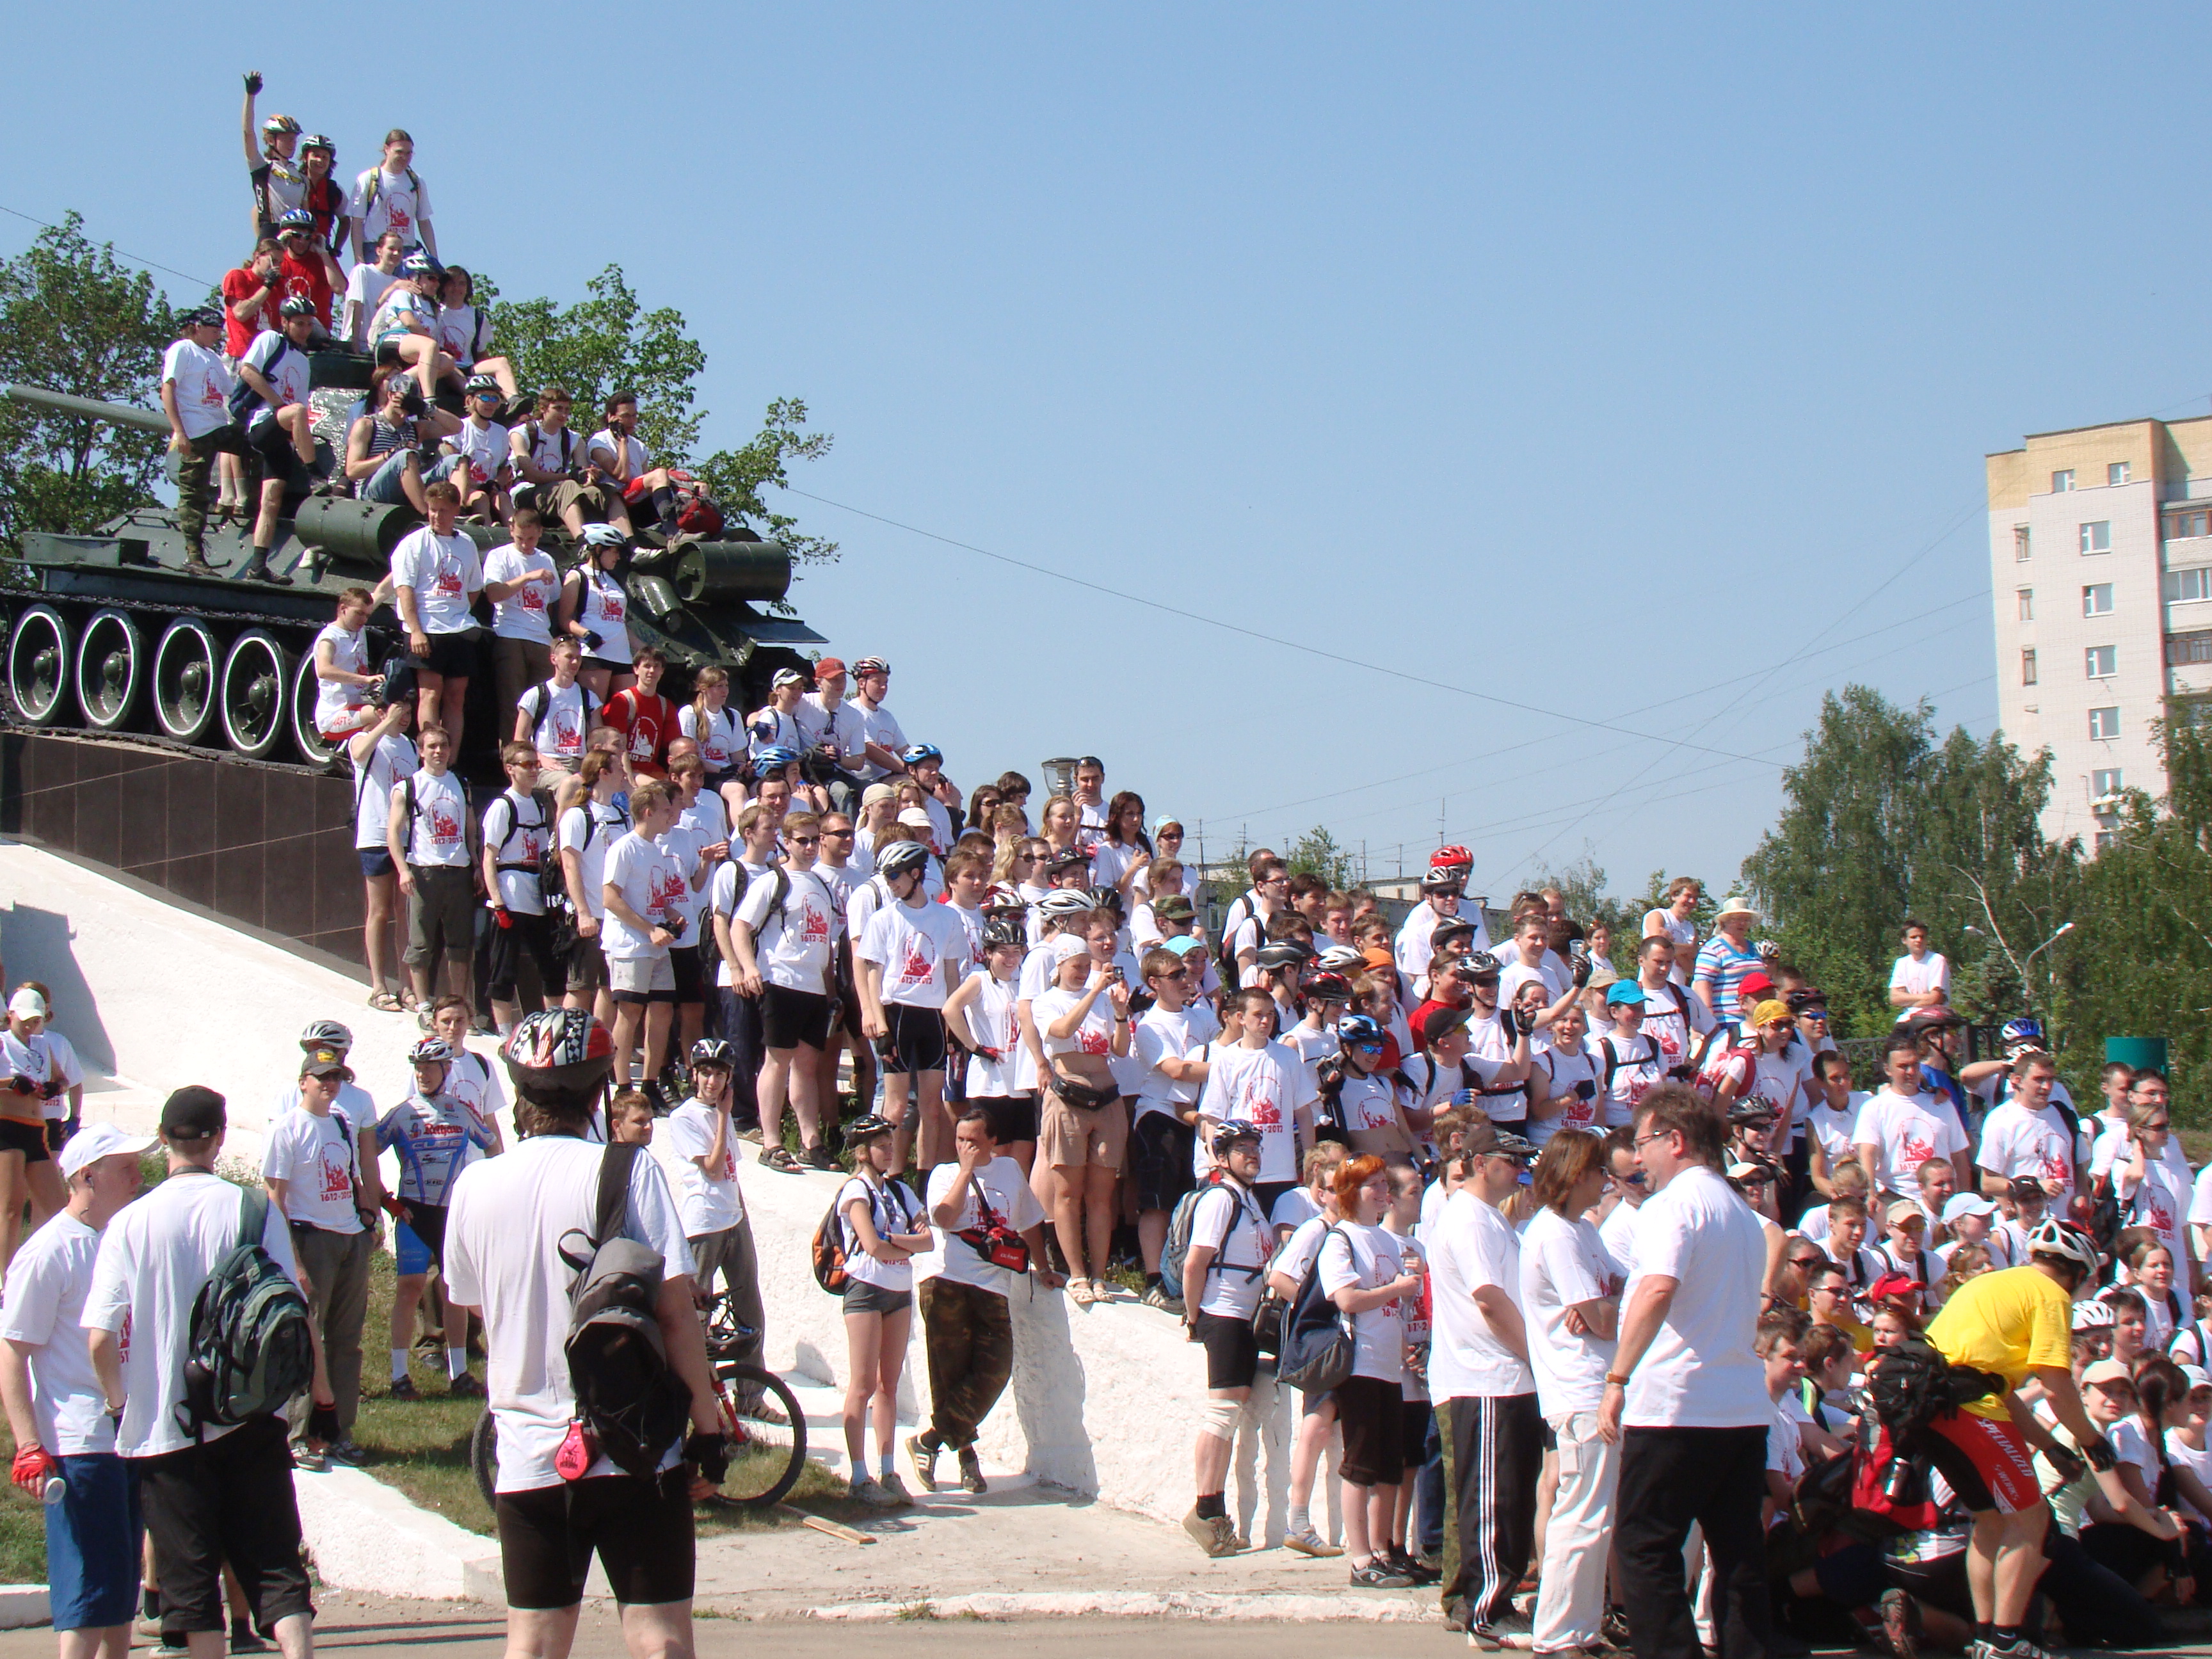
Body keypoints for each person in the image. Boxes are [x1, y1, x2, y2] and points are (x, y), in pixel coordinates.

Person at [445, 1011, 724, 1659]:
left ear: (519, 1092)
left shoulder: (475, 1184)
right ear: (600, 1090)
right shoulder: (628, 1171)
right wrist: (708, 1430)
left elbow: (476, 1305)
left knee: (534, 1646)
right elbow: (675, 1311)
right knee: (660, 1641)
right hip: (634, 1446)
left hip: (528, 1450)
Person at [84, 1086, 334, 1659]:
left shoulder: (130, 1222)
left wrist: (120, 1404)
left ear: (163, 1139)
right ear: (219, 1138)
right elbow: (296, 1310)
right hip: (250, 1414)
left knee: (191, 1588)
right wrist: (322, 1399)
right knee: (277, 1565)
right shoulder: (254, 1209)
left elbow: (99, 1336)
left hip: (166, 1427)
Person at [1596, 1086, 1773, 1659]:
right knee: (1738, 1551)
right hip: (1739, 1406)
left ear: (1675, 1140)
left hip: (1678, 1405)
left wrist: (1617, 1378)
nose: (1638, 1158)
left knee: (1644, 1545)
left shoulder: (1672, 1205)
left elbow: (1657, 1288)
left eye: (1643, 1142)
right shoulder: (1740, 1212)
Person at [1921, 1219, 2118, 1659]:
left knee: (1991, 1521)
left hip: (1933, 1409)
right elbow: (2056, 1386)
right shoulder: (2050, 1295)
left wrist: (2050, 1446)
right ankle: (2007, 1641)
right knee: (2032, 1521)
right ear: (2078, 1274)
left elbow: (2000, 1389)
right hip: (1971, 1410)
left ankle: (1985, 1638)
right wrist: (2090, 1440)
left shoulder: (1992, 1284)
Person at [0, 1121, 155, 1659]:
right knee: (90, 1594)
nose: (138, 1176)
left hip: (132, 1438)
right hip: (80, 1446)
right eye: (125, 1168)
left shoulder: (125, 1239)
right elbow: (12, 1352)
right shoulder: (48, 1252)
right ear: (87, 1176)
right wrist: (29, 1445)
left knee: (119, 1594)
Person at [1431, 1125, 1542, 1642]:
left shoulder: (1492, 1219)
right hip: (1485, 1379)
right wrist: (1535, 1356)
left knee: (1510, 1498)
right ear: (1480, 1163)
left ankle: (1494, 1601)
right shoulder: (1470, 1219)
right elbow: (1489, 1299)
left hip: (1505, 1378)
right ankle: (1484, 1608)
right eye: (1511, 1161)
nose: (1520, 1171)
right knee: (1490, 1503)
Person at [910, 1109, 1059, 1495]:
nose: (966, 1147)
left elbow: (1029, 1221)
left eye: (974, 1141)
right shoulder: (945, 1174)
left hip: (993, 1286)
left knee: (995, 1369)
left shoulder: (1009, 1171)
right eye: (960, 1140)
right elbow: (944, 1218)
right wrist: (965, 1172)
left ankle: (929, 1441)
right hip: (947, 1280)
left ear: (993, 1142)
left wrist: (1043, 1268)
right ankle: (967, 1460)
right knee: (950, 1375)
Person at [1518, 1129, 1623, 1658]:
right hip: (1580, 1392)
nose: (1606, 1179)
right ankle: (1557, 1634)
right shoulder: (1556, 1234)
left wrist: (1608, 1306)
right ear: (1577, 1173)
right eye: (1600, 1169)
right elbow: (1600, 1318)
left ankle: (1581, 1630)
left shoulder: (1583, 1230)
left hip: (1595, 1388)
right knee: (1580, 1517)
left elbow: (1620, 1290)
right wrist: (1605, 1309)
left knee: (1597, 1519)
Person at [260, 1045, 377, 1467]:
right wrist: (292, 1260)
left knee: (346, 1341)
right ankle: (296, 1432)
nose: (330, 1084)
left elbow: (352, 1176)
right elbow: (275, 1199)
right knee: (305, 1338)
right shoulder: (287, 1129)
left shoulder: (342, 1124)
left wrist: (367, 1219)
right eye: (322, 1077)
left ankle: (338, 1430)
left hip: (350, 1238)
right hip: (311, 1239)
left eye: (336, 1077)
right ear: (303, 1082)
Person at [1315, 1152, 1423, 1587]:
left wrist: (1405, 1296)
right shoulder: (1341, 1239)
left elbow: (1396, 1305)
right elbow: (1346, 1299)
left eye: (1384, 1184)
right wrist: (1396, 1288)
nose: (1382, 1193)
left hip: (1388, 1365)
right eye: (1372, 1185)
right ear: (1350, 1192)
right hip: (1359, 1363)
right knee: (1359, 1463)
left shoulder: (1386, 1241)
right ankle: (1360, 1558)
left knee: (1389, 1465)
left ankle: (1382, 1549)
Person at [377, 1039, 496, 1398]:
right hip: (414, 1212)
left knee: (454, 1290)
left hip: (451, 1214)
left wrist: (488, 1191)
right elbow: (363, 1155)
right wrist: (386, 1201)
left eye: (429, 1067)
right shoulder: (402, 1113)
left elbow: (492, 1145)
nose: (422, 1074)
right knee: (410, 1287)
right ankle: (399, 1376)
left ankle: (459, 1373)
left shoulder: (461, 1111)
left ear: (446, 1070)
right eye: (418, 1068)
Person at [1180, 1120, 1275, 1556]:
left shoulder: (1247, 1200)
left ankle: (1212, 1510)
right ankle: (1205, 1510)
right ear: (1222, 1158)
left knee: (1230, 1414)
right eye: (1241, 1148)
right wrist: (1194, 1318)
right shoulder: (1221, 1199)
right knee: (1221, 1415)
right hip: (1225, 1315)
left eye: (1255, 1146)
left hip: (1243, 1317)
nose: (1252, 1154)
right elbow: (1195, 1263)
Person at [730, 812, 840, 1169]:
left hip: (813, 987)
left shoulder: (822, 884)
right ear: (787, 842)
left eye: (814, 840)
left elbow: (825, 944)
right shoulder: (773, 881)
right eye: (802, 841)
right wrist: (748, 968)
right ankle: (771, 1141)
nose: (809, 847)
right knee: (777, 1060)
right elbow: (740, 926)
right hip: (780, 980)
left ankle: (811, 1140)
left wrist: (830, 992)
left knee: (807, 1065)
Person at [657, 1041, 766, 1389]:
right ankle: (698, 1392)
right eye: (706, 1072)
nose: (712, 1081)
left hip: (734, 1218)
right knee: (697, 1313)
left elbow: (732, 1173)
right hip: (704, 1224)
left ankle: (751, 1397)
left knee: (750, 1311)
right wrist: (722, 1116)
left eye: (719, 1074)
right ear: (694, 1075)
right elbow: (714, 1169)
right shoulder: (684, 1117)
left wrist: (740, 1211)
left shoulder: (724, 1111)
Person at [831, 1114, 927, 1507]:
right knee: (862, 1384)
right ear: (861, 1152)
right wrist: (903, 1244)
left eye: (891, 1145)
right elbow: (871, 1245)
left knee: (889, 1385)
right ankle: (859, 1476)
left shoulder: (900, 1190)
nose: (890, 1152)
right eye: (882, 1146)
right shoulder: (855, 1190)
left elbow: (928, 1241)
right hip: (866, 1291)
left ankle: (888, 1471)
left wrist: (894, 1242)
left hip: (899, 1291)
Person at [855, 841, 966, 1171]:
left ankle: (925, 1177)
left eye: (894, 876)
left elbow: (951, 974)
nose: (890, 883)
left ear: (915, 874)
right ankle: (887, 1172)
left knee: (932, 1107)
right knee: (896, 1106)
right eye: (886, 876)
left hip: (933, 1015)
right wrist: (880, 1026)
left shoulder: (947, 918)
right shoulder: (883, 918)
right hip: (897, 1013)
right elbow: (873, 975)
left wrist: (954, 1026)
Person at [1034, 934, 1132, 1304]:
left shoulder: (1103, 1001)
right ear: (1059, 966)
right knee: (1068, 1192)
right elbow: (1061, 1032)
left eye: (1084, 966)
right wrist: (1093, 993)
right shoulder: (1048, 1001)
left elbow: (1120, 1049)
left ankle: (1099, 1274)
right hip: (1068, 1099)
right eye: (1075, 966)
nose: (1081, 972)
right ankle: (1076, 1273)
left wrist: (1120, 1013)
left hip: (1106, 1098)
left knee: (1101, 1196)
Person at [602, 780, 696, 1096]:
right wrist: (649, 929)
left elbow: (653, 894)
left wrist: (670, 913)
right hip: (630, 945)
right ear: (647, 812)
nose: (671, 815)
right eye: (665, 810)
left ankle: (650, 1084)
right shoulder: (624, 847)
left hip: (656, 944)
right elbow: (610, 898)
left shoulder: (655, 849)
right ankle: (623, 1086)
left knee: (663, 1010)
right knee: (630, 1012)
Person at [390, 481, 485, 753]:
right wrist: (416, 631)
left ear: (455, 510)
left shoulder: (466, 544)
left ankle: (450, 760)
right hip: (427, 628)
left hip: (459, 630)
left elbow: (473, 588)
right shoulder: (414, 544)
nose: (436, 516)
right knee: (430, 694)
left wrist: (458, 611)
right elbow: (405, 590)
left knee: (456, 698)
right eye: (432, 510)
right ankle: (429, 756)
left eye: (443, 510)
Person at [386, 721, 475, 1013]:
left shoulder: (460, 783)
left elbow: (470, 826)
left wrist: (475, 863)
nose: (439, 751)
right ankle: (423, 1004)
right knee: (421, 944)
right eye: (432, 746)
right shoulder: (408, 787)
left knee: (460, 944)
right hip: (424, 873)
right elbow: (393, 832)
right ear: (421, 751)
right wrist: (403, 870)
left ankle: (459, 1004)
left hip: (458, 871)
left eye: (443, 746)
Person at [232, 294, 320, 585]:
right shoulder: (271, 340)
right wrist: (278, 403)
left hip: (283, 435)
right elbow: (247, 371)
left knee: (271, 500)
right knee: (296, 412)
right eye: (299, 324)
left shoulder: (304, 362)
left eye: (309, 324)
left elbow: (301, 405)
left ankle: (258, 566)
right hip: (262, 424)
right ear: (285, 322)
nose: (305, 330)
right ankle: (313, 473)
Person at [482, 743, 563, 1030]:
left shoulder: (539, 805)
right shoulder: (503, 806)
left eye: (535, 764)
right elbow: (489, 857)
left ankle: (553, 1029)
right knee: (504, 969)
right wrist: (498, 903)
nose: (533, 770)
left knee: (551, 969)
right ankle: (505, 1034)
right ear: (510, 769)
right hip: (511, 894)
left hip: (537, 896)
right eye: (526, 765)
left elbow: (543, 855)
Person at [160, 307, 246, 575]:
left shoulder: (211, 357)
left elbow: (230, 391)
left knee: (255, 448)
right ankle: (194, 556)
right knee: (194, 494)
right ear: (197, 327)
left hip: (218, 426)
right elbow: (168, 388)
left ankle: (244, 499)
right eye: (213, 329)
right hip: (195, 431)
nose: (218, 334)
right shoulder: (183, 349)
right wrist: (180, 431)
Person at [588, 394, 685, 538]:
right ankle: (673, 532)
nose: (632, 421)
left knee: (694, 485)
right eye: (626, 416)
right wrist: (622, 442)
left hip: (638, 504)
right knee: (659, 474)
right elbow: (622, 476)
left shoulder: (640, 446)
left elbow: (646, 482)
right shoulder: (599, 442)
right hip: (615, 504)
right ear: (611, 417)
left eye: (634, 416)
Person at [558, 527, 637, 701]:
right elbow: (565, 619)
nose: (618, 557)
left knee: (630, 708)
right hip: (595, 655)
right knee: (595, 707)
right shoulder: (577, 576)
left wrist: (642, 647)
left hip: (622, 655)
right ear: (599, 549)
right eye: (614, 551)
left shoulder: (614, 580)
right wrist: (586, 634)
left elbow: (620, 621)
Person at [348, 131, 435, 262]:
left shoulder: (416, 181)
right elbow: (357, 222)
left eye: (408, 153)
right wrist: (359, 260)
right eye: (399, 152)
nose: (404, 157)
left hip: (406, 251)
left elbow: (424, 221)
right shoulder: (369, 179)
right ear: (386, 149)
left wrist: (434, 257)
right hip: (376, 250)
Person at [339, 230, 405, 352]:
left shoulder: (398, 282)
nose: (396, 253)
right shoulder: (363, 271)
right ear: (379, 251)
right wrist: (355, 345)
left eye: (400, 250)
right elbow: (357, 307)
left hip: (377, 348)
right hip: (355, 346)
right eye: (391, 249)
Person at [1889, 920, 1952, 1010]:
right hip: (1908, 1016)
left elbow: (1935, 998)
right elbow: (1894, 998)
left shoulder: (1937, 960)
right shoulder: (1901, 963)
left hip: (1934, 1014)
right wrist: (1925, 997)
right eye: (1914, 937)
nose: (1919, 940)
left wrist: (1908, 1002)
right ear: (1904, 940)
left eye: (1922, 937)